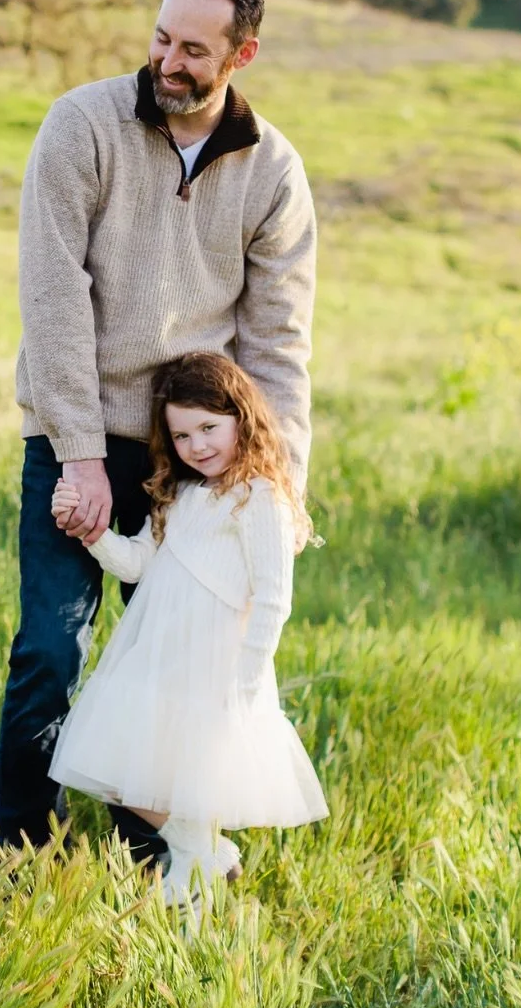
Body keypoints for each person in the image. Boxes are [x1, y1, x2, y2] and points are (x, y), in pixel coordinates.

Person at [0, 0, 318, 865]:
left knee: (186, 665)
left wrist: (278, 487)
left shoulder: (274, 171)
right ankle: (23, 849)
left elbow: (279, 343)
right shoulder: (82, 124)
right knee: (50, 651)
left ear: (243, 54)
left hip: (201, 459)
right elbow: (53, 295)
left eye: (194, 50)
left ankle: (155, 850)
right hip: (78, 432)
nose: (167, 62)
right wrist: (81, 453)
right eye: (161, 38)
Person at [48, 352, 327, 905]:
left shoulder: (260, 497)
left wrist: (246, 683)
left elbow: (273, 599)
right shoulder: (182, 496)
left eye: (209, 428)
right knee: (127, 775)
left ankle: (194, 891)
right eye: (182, 436)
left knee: (192, 777)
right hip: (160, 658)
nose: (198, 446)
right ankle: (203, 854)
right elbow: (134, 565)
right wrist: (86, 525)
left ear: (241, 420)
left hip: (217, 666)